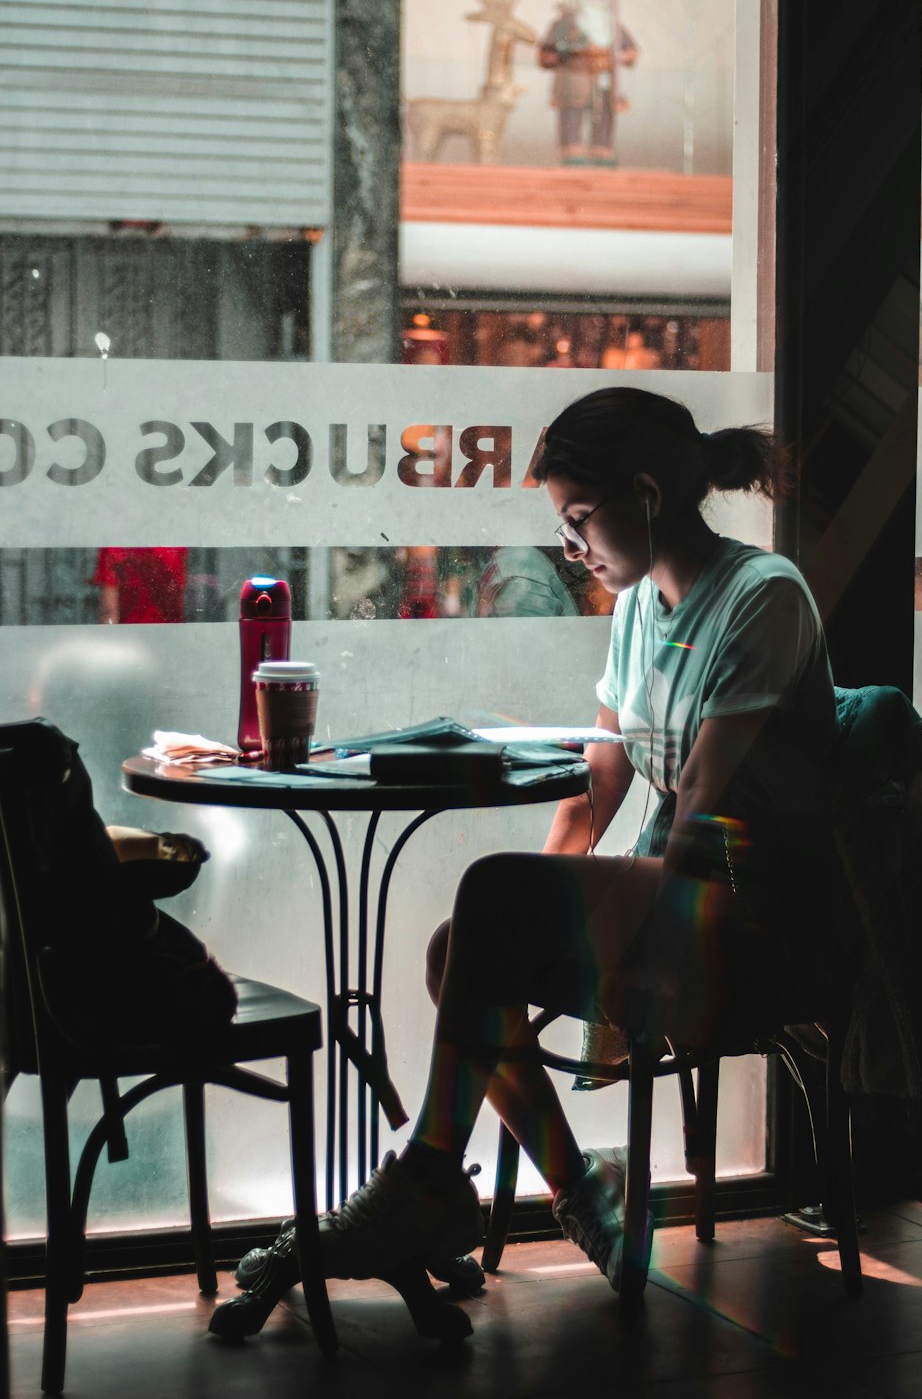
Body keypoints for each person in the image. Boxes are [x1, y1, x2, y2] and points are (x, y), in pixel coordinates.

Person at [213, 386, 857, 1334]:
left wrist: (566, 916)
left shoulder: (763, 597)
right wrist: (523, 904)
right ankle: (578, 1187)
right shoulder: (640, 607)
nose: (573, 548)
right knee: (458, 945)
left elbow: (700, 818)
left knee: (490, 905)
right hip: (678, 892)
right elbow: (593, 789)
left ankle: (435, 1178)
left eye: (579, 521)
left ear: (645, 494)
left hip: (753, 916)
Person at [538, 0, 638, 166]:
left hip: (604, 77)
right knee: (571, 113)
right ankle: (571, 149)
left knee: (604, 114)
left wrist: (619, 56)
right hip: (574, 76)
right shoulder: (565, 23)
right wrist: (564, 51)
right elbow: (547, 52)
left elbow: (630, 50)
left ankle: (602, 149)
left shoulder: (612, 24)